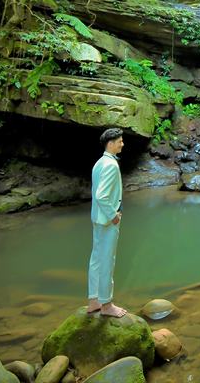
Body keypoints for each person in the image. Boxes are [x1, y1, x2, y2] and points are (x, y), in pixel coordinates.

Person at [86, 127, 127, 317]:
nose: (122, 144)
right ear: (111, 143)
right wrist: (114, 215)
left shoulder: (99, 162)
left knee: (96, 259)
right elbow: (102, 195)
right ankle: (107, 305)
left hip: (97, 218)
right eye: (120, 141)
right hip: (107, 220)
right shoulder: (111, 165)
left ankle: (93, 300)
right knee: (107, 261)